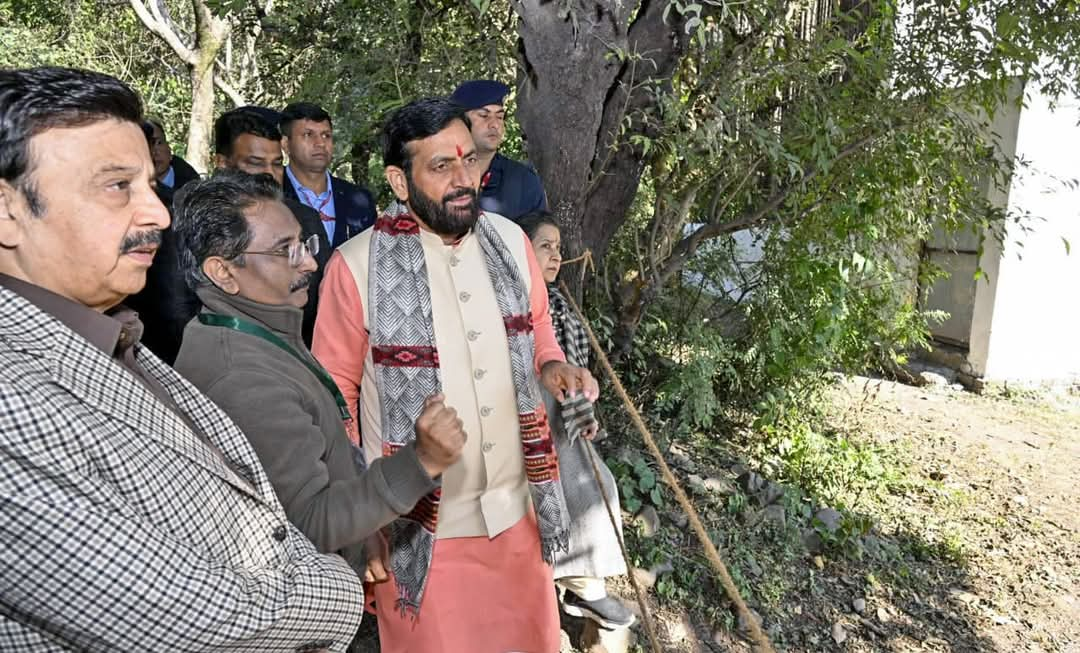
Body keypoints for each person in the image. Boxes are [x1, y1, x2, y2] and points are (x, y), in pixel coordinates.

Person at [0, 66, 363, 651]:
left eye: (148, 184)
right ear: (7, 210)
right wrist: (338, 587)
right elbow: (195, 620)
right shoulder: (11, 403)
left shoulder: (117, 340)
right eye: (118, 186)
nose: (159, 215)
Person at [312, 97, 598, 653]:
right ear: (399, 180)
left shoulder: (513, 243)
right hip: (421, 534)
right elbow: (333, 399)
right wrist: (363, 517)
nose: (464, 178)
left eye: (467, 160)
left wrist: (553, 363)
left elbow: (539, 326)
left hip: (520, 515)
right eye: (441, 166)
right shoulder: (354, 267)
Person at [172, 169, 461, 591]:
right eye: (284, 250)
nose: (309, 262)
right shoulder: (244, 378)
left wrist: (360, 532)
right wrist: (421, 462)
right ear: (223, 272)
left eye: (303, 243)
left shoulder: (255, 329)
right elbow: (309, 525)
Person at [518, 212, 635, 629]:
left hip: (558, 418)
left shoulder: (559, 302)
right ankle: (581, 586)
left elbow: (566, 365)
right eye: (545, 246)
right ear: (519, 250)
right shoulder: (510, 300)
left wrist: (582, 409)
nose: (555, 255)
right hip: (525, 422)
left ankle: (582, 584)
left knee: (599, 483)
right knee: (576, 485)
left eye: (559, 249)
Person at [214, 107, 331, 346]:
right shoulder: (194, 221)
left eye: (277, 164)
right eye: (256, 163)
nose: (269, 174)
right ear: (222, 163)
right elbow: (177, 314)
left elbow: (325, 298)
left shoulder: (305, 218)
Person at [122, 122, 200, 365]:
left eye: (158, 142)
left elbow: (175, 306)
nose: (156, 215)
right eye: (117, 186)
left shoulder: (176, 207)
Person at [280, 102, 376, 247]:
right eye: (308, 135)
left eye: (326, 135)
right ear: (286, 144)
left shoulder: (359, 199)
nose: (320, 143)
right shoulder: (271, 196)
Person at [450, 79, 547, 221]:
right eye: (484, 115)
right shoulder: (437, 173)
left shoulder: (523, 181)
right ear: (459, 121)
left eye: (500, 117)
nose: (494, 124)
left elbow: (537, 237)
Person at [146, 117, 199, 191]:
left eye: (159, 143)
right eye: (147, 145)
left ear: (169, 149)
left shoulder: (195, 188)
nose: (154, 152)